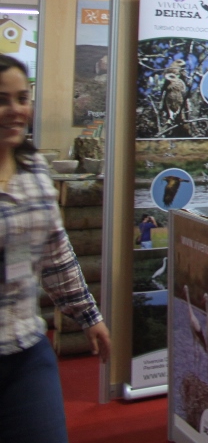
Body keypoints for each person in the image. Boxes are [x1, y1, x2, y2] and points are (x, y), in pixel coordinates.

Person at [0, 54, 110, 441]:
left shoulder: (33, 172)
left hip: (25, 350)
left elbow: (55, 251)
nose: (15, 110)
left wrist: (89, 315)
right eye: (2, 100)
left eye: (22, 98)